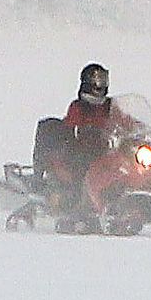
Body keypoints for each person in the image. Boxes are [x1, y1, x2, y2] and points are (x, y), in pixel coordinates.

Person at [34, 64, 128, 210]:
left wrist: (137, 128)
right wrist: (88, 128)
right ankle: (80, 204)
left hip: (104, 148)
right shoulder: (79, 106)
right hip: (80, 150)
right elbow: (71, 124)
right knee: (83, 168)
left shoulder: (110, 105)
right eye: (96, 79)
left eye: (103, 79)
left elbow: (123, 119)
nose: (100, 84)